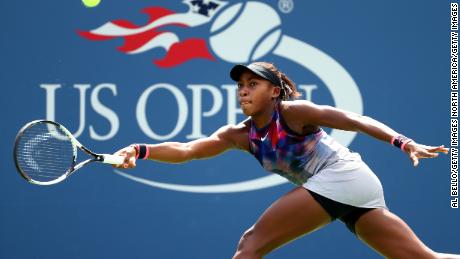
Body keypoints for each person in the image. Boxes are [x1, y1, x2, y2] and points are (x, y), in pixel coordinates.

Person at [113, 62, 458, 259]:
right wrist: (139, 149)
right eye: (240, 86)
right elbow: (188, 150)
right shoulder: (238, 134)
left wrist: (404, 142)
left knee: (250, 244)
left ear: (275, 92)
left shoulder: (294, 113)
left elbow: (354, 120)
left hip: (345, 176)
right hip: (352, 192)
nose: (243, 90)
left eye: (253, 83)